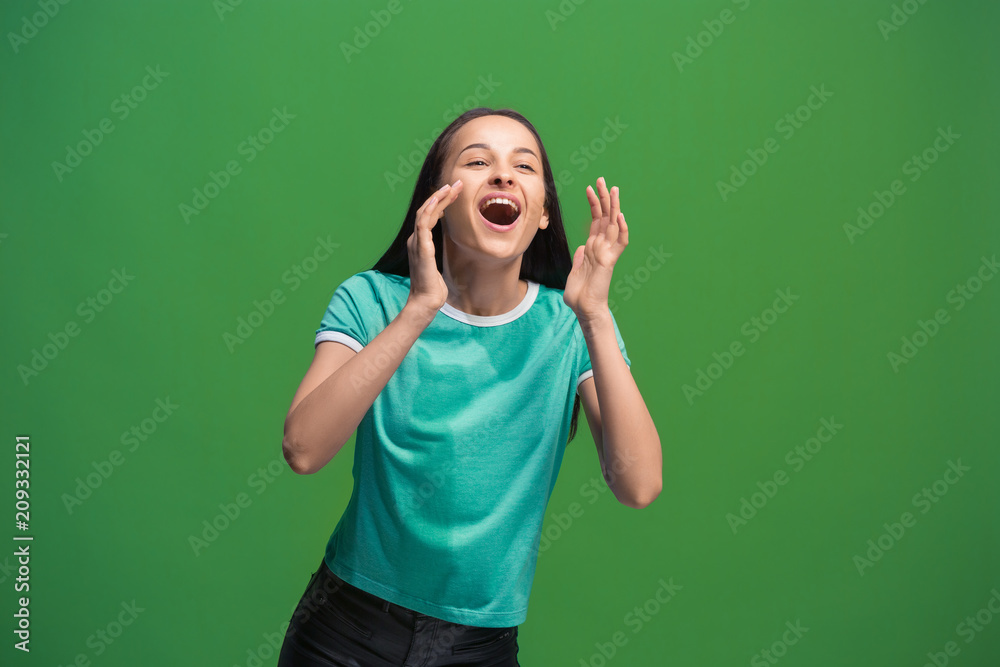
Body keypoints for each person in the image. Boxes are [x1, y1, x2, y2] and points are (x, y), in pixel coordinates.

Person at [276, 107, 662, 666]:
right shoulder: (371, 300)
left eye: (524, 167)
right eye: (478, 161)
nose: (503, 175)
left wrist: (596, 318)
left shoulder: (571, 326)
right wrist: (418, 311)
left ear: (544, 216)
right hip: (344, 633)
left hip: (478, 648)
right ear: (438, 200)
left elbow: (640, 485)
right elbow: (303, 450)